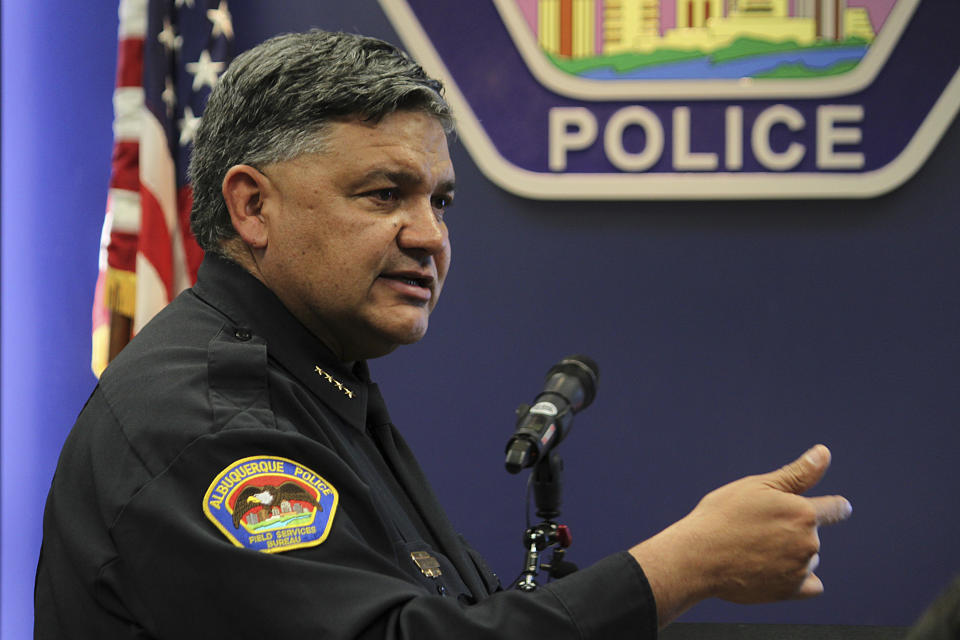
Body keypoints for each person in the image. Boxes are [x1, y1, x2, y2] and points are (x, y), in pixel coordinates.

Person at [35, 30, 852, 639]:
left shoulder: (316, 375)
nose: (429, 235)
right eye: (385, 193)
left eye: (441, 202)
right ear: (253, 207)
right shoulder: (209, 418)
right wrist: (684, 566)